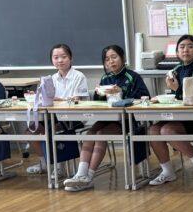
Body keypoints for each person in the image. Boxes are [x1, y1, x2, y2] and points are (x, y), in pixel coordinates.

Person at [63, 45, 150, 192]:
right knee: (90, 134)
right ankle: (80, 174)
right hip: (108, 118)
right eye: (107, 59)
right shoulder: (105, 78)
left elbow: (144, 97)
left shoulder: (133, 76)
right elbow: (99, 103)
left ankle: (89, 177)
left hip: (128, 121)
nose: (111, 61)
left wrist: (121, 92)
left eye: (114, 57)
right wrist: (99, 94)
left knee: (100, 134)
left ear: (123, 58)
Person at [147, 34, 193, 187]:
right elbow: (177, 98)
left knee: (167, 130)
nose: (185, 50)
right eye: (182, 47)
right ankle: (167, 171)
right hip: (179, 116)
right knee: (153, 130)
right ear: (177, 52)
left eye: (190, 46)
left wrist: (177, 89)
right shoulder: (176, 69)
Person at [27, 44, 89, 175]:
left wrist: (59, 100)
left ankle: (58, 166)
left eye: (63, 57)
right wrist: (37, 96)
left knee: (51, 130)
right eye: (56, 57)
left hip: (75, 117)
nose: (60, 60)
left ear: (70, 58)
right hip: (54, 117)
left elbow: (78, 100)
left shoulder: (79, 76)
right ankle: (45, 164)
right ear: (52, 60)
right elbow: (47, 99)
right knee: (31, 130)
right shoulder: (51, 79)